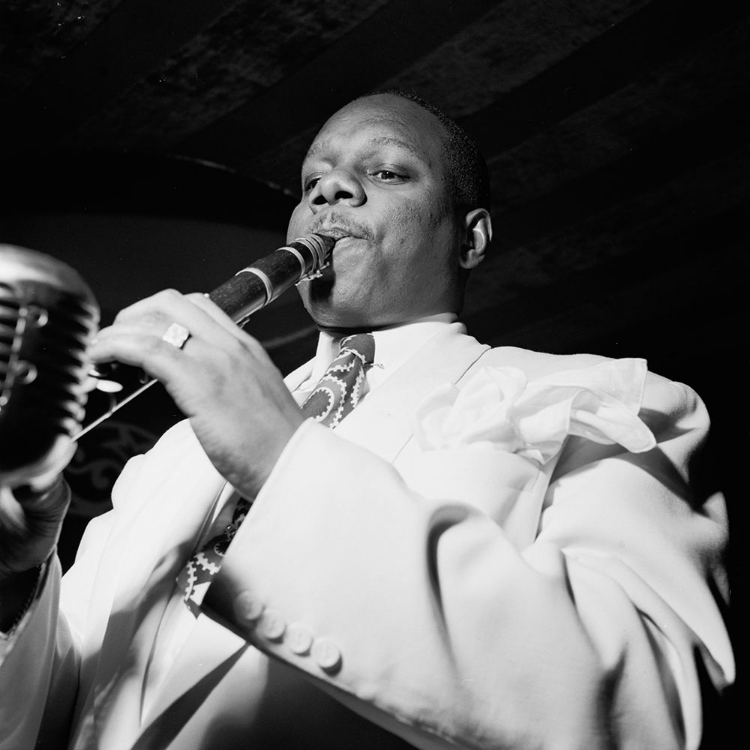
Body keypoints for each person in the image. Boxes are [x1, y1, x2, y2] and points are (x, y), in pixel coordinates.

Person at [0, 91, 735, 749]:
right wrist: (19, 580)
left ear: (470, 237)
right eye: (310, 184)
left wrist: (283, 463)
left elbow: (651, 712)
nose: (330, 193)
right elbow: (62, 707)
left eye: (385, 172)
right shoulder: (175, 449)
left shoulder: (608, 399)